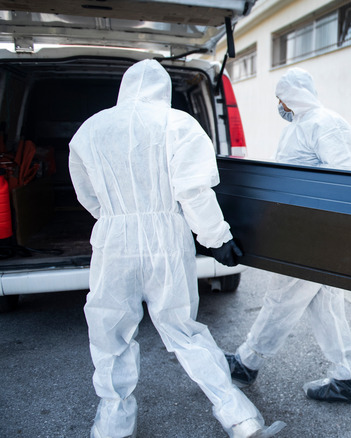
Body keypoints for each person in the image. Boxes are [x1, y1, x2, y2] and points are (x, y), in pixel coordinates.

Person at [69, 59, 285, 438]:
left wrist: (116, 217)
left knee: (109, 329)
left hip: (114, 237)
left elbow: (87, 194)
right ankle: (239, 418)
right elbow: (193, 191)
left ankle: (114, 422)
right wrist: (216, 238)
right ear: (163, 89)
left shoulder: (90, 129)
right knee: (183, 329)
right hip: (166, 237)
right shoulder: (178, 124)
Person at [224, 67, 351, 404]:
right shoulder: (301, 126)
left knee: (281, 297)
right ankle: (347, 380)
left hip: (313, 232)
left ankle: (247, 362)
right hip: (305, 228)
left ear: (292, 96)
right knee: (326, 305)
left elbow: (346, 178)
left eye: (280, 98)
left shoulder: (325, 123)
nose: (279, 105)